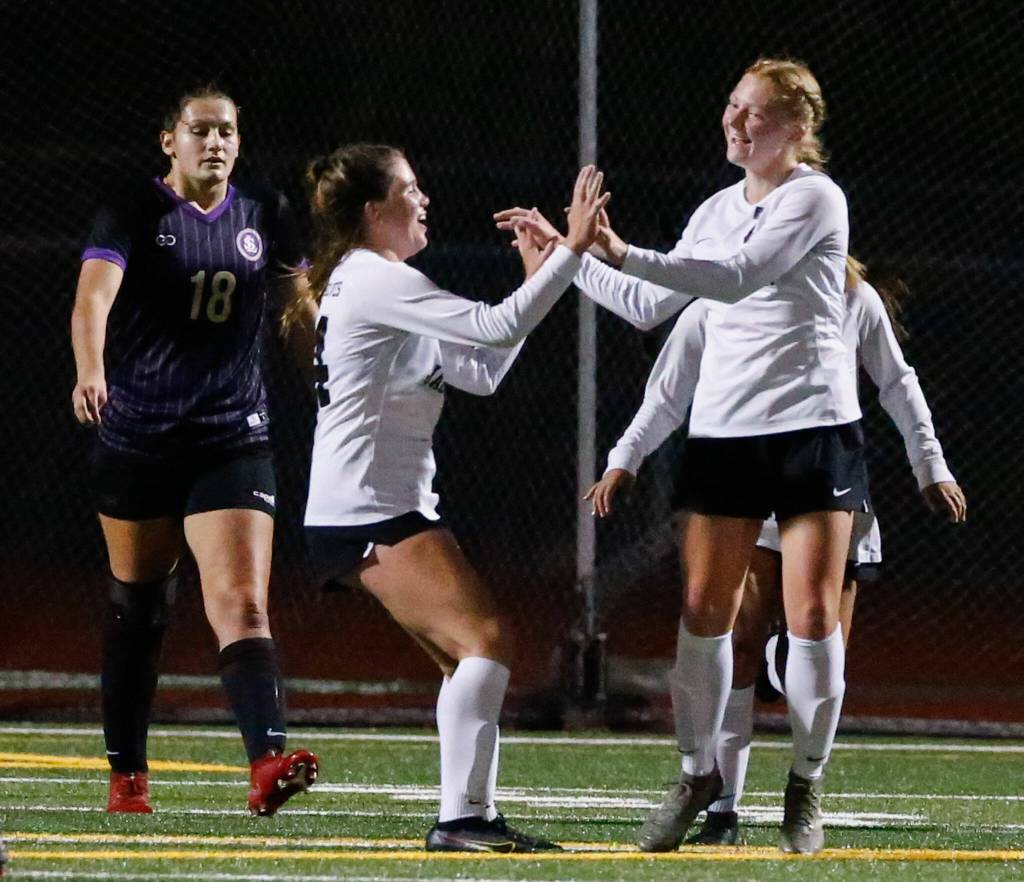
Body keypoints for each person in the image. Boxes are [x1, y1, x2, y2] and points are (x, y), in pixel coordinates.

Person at [502, 56, 871, 854]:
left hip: (813, 430)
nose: (737, 124)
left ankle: (804, 784)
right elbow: (647, 305)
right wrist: (570, 255)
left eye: (757, 115)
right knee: (704, 616)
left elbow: (736, 277)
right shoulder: (712, 209)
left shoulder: (815, 197)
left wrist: (622, 249)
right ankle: (696, 773)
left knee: (811, 620)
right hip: (727, 435)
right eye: (733, 107)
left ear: (799, 130)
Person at [583, 264, 966, 845]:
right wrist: (623, 458)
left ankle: (804, 783)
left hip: (821, 478)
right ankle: (722, 809)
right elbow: (666, 393)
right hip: (745, 484)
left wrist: (930, 462)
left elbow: (897, 380)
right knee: (732, 637)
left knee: (816, 631)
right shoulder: (716, 297)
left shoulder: (848, 297)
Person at [302, 144, 608, 852]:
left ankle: (468, 815)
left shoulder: (378, 282)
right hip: (370, 508)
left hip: (367, 505)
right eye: (411, 188)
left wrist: (538, 275)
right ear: (376, 212)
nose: (425, 199)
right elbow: (496, 327)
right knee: (488, 642)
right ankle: (463, 819)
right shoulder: (375, 279)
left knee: (465, 658)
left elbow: (481, 369)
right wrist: (573, 251)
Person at [70, 85, 318, 816]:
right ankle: (127, 778)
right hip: (139, 435)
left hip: (230, 436)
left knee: (241, 602)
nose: (214, 142)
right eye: (200, 130)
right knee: (140, 609)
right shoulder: (134, 210)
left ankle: (268, 762)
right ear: (168, 140)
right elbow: (93, 299)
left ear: (240, 143)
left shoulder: (265, 212)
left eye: (227, 132)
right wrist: (91, 369)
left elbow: (297, 308)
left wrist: (328, 377)